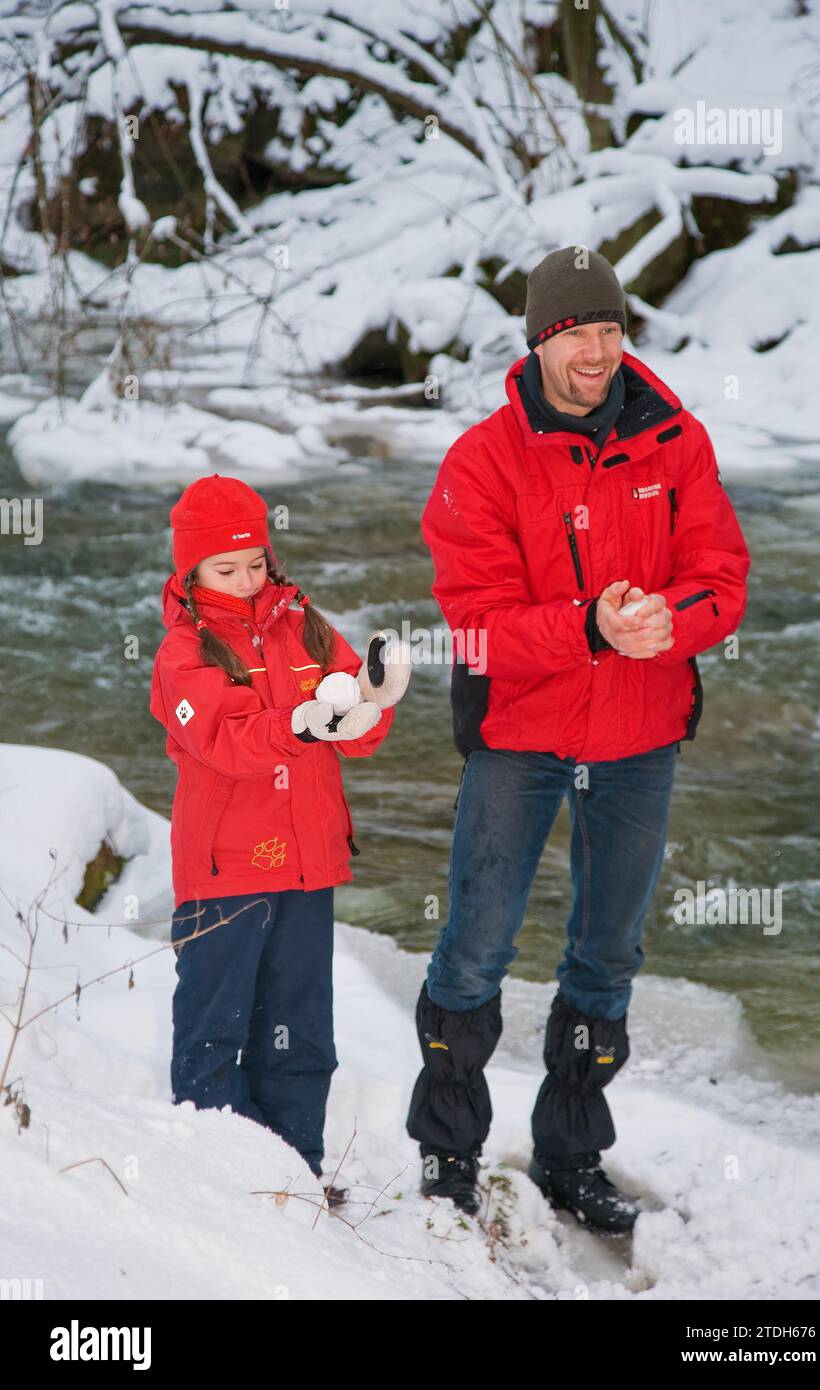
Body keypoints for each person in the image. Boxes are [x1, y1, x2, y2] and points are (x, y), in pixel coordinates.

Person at [406, 246, 750, 1232]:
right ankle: (446, 1154)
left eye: (608, 328)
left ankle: (569, 1155)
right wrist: (585, 625)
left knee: (606, 956)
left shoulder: (672, 439)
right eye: (573, 331)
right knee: (473, 947)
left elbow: (718, 576)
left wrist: (668, 622)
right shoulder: (481, 460)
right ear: (538, 340)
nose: (595, 350)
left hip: (639, 732)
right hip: (519, 732)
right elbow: (472, 626)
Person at [150, 474, 408, 1199]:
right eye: (225, 569)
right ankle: (216, 1184)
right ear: (191, 571)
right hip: (227, 870)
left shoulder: (304, 622)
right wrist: (301, 724)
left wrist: (372, 699)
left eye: (256, 563)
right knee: (216, 1027)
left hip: (307, 864)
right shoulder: (182, 653)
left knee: (301, 1033)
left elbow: (353, 726)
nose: (246, 579)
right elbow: (230, 741)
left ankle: (294, 1176)